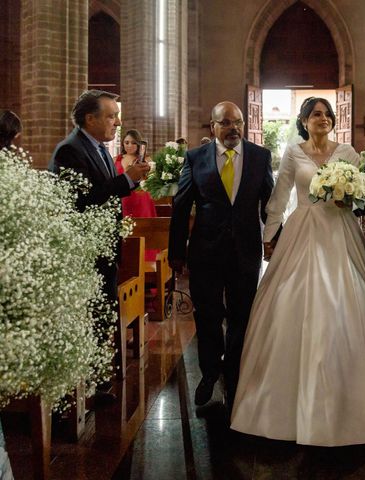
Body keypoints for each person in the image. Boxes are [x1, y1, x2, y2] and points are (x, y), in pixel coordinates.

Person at [231, 97, 365, 446]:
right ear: (304, 121)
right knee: (290, 303)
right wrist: (269, 236)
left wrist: (350, 199)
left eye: (326, 114)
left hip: (340, 234)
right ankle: (278, 404)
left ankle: (353, 401)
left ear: (332, 119)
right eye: (315, 115)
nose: (322, 119)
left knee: (345, 303)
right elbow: (278, 198)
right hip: (302, 232)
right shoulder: (294, 153)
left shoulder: (349, 153)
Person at [168, 101, 274, 407]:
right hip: (206, 252)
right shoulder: (195, 157)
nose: (233, 128)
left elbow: (269, 205)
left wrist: (275, 241)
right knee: (208, 315)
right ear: (212, 127)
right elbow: (181, 206)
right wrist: (177, 252)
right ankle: (210, 373)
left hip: (245, 251)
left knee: (242, 316)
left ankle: (235, 374)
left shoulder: (259, 156)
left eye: (238, 122)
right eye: (226, 123)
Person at [49, 90, 150, 396]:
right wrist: (126, 180)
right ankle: (87, 385)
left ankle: (97, 380)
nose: (117, 122)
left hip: (105, 246)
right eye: (110, 115)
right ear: (89, 118)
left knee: (102, 314)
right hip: (86, 251)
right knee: (90, 316)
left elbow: (105, 191)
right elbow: (79, 200)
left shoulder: (100, 148)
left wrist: (130, 180)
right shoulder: (69, 150)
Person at [115, 129, 157, 218]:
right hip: (123, 199)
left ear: (138, 144)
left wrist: (148, 171)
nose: (129, 145)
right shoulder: (115, 160)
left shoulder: (147, 160)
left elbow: (154, 181)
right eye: (126, 142)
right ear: (122, 144)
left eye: (133, 143)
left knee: (144, 228)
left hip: (142, 199)